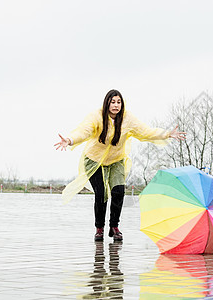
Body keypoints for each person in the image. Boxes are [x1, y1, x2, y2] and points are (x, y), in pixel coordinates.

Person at [54, 89, 186, 241]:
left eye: (118, 102)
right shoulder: (96, 116)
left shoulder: (127, 119)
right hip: (94, 160)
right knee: (101, 193)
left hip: (116, 160)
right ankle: (99, 228)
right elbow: (84, 131)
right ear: (107, 103)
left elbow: (145, 132)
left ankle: (114, 227)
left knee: (119, 191)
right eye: (113, 102)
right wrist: (70, 140)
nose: (116, 105)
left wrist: (167, 134)